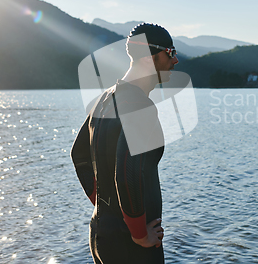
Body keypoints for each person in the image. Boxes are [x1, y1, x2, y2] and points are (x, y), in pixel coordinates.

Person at [71, 23, 179, 263]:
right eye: (170, 53)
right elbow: (127, 170)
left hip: (103, 231)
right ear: (149, 56)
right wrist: (139, 233)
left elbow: (78, 156)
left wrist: (105, 206)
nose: (176, 61)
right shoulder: (139, 105)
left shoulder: (105, 98)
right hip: (131, 245)